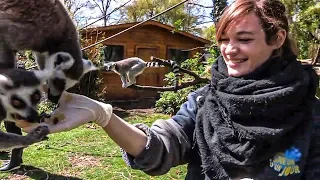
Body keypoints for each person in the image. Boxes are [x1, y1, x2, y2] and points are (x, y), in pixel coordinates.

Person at [22, 0, 320, 179]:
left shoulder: (311, 115)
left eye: (243, 39)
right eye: (224, 39)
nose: (229, 50)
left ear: (277, 38)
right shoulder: (206, 102)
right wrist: (103, 116)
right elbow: (162, 148)